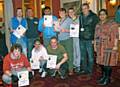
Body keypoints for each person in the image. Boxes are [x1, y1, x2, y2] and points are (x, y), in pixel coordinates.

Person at [94, 9, 119, 85]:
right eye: (100, 14)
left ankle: (107, 78)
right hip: (99, 47)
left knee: (107, 63)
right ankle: (104, 76)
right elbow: (95, 36)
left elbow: (116, 36)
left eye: (103, 14)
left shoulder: (112, 24)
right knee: (101, 63)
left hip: (109, 46)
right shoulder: (98, 24)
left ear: (106, 15)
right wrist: (95, 45)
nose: (102, 16)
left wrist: (115, 45)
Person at [79, 3, 99, 75]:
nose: (84, 10)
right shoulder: (80, 16)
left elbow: (97, 28)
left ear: (88, 8)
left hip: (90, 39)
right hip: (81, 38)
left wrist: (94, 39)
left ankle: (90, 70)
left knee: (90, 56)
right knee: (83, 56)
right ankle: (84, 69)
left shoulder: (94, 16)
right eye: (82, 8)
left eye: (85, 8)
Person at [58, 8, 73, 75]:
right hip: (60, 40)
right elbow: (57, 30)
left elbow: (73, 30)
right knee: (62, 55)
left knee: (69, 55)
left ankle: (70, 69)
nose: (61, 14)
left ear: (65, 13)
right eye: (60, 13)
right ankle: (64, 69)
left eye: (63, 13)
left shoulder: (69, 20)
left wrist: (66, 30)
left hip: (67, 39)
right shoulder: (58, 20)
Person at [68, 8, 81, 73]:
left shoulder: (79, 19)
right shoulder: (69, 20)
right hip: (71, 38)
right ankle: (74, 64)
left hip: (77, 37)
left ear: (74, 12)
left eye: (72, 12)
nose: (70, 13)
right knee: (73, 51)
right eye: (69, 12)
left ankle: (78, 65)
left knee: (78, 51)